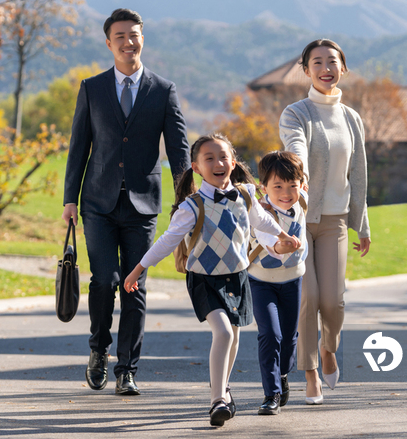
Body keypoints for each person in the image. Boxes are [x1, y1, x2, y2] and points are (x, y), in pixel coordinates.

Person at [123, 134, 301, 426]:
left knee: (233, 337)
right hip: (204, 280)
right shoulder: (191, 207)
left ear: (232, 162)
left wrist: (283, 236)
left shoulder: (244, 195)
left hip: (238, 277)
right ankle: (217, 400)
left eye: (223, 157)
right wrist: (138, 269)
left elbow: (262, 221)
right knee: (225, 333)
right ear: (196, 167)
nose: (218, 163)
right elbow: (167, 241)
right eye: (209, 158)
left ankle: (224, 390)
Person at [62, 8, 190, 396]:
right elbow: (78, 147)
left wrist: (187, 199)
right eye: (120, 36)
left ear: (142, 39)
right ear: (109, 43)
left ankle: (127, 370)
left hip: (143, 206)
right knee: (104, 281)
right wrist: (70, 199)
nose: (128, 42)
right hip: (97, 203)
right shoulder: (92, 87)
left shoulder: (163, 90)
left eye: (134, 35)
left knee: (135, 286)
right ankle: (98, 350)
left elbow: (179, 148)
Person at [278, 39, 372, 405]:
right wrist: (297, 168)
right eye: (317, 62)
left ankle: (328, 347)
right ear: (306, 70)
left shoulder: (351, 118)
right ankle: (311, 371)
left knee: (333, 301)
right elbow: (294, 144)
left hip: (334, 220)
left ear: (343, 69)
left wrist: (361, 223)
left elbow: (359, 174)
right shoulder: (295, 112)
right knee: (308, 299)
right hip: (299, 219)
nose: (325, 68)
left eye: (332, 61)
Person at [247, 151, 308, 415]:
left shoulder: (303, 200)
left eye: (292, 186)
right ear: (264, 188)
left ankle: (283, 374)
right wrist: (287, 244)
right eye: (277, 187)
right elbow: (274, 247)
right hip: (261, 282)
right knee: (270, 335)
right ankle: (271, 393)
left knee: (290, 338)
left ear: (302, 185)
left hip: (293, 280)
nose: (286, 193)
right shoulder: (259, 214)